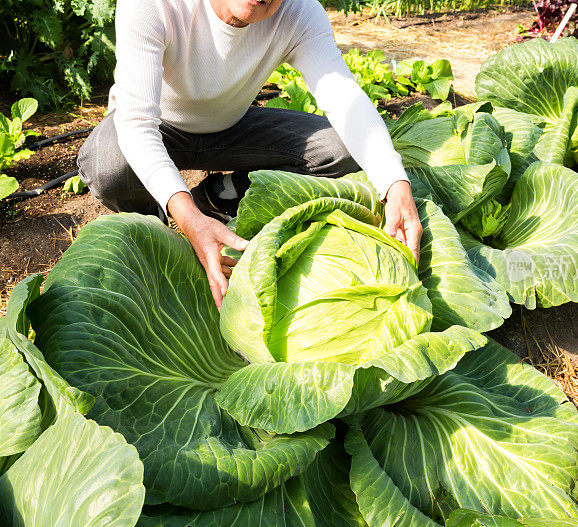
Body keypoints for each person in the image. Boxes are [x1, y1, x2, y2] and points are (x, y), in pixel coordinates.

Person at [77, 0, 423, 309]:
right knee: (108, 163)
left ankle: (219, 196)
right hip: (159, 126)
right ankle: (156, 227)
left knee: (339, 151)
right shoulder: (153, 5)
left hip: (232, 127)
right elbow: (137, 123)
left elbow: (343, 96)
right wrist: (187, 218)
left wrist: (395, 184)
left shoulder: (298, 12)